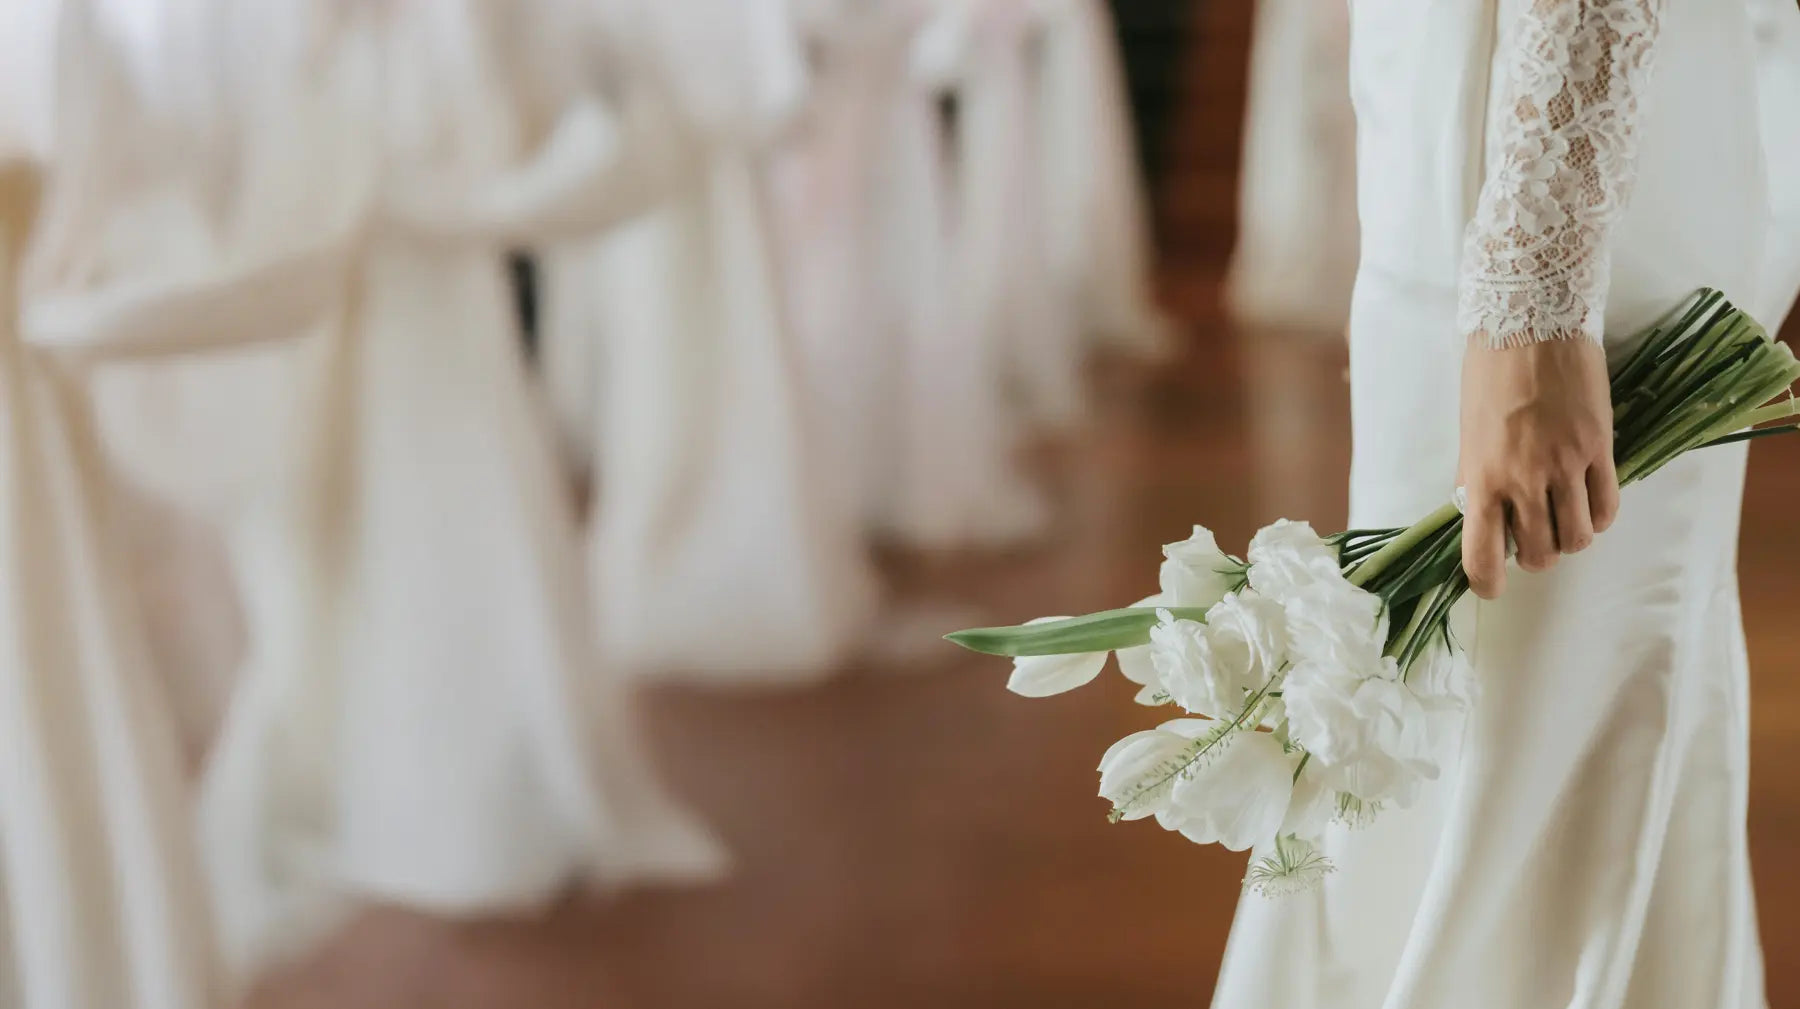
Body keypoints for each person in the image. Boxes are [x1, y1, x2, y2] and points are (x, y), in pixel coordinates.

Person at [1211, 1, 1800, 1006]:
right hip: (1467, 113)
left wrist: (1537, 294)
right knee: (1454, 714)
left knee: (1527, 711)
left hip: (1548, 159)